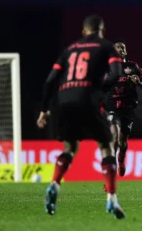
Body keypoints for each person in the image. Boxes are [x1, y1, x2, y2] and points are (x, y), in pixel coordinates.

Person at [37, 15, 126, 219]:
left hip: (63, 100)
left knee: (70, 147)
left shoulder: (69, 49)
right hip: (88, 97)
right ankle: (111, 199)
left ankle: (54, 184)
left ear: (84, 31)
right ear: (101, 30)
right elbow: (115, 74)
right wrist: (99, 90)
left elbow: (50, 80)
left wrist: (44, 109)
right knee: (106, 146)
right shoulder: (107, 46)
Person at [106, 40, 142, 177]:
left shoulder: (133, 66)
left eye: (122, 47)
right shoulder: (106, 67)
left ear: (125, 51)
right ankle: (110, 176)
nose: (120, 49)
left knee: (122, 143)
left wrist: (138, 81)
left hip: (128, 108)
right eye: (117, 47)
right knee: (114, 139)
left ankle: (121, 159)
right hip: (112, 106)